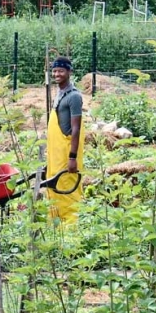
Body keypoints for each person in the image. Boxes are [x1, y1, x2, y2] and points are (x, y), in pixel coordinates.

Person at [46, 56, 85, 222]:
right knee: (54, 187)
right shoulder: (60, 93)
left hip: (66, 153)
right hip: (56, 153)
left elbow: (76, 129)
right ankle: (57, 226)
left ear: (69, 72)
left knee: (67, 188)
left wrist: (72, 157)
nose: (57, 74)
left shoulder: (74, 96)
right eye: (54, 71)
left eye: (61, 71)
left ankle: (71, 228)